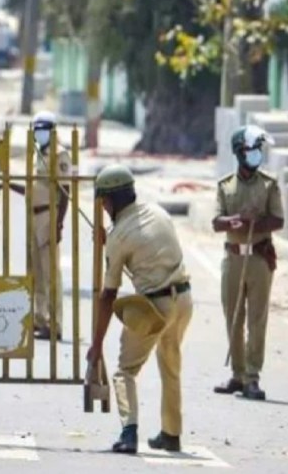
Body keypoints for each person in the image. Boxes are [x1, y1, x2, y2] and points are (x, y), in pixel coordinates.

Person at [87, 163, 193, 455]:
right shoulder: (157, 212)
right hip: (184, 299)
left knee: (125, 371)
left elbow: (108, 295)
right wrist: (111, 240)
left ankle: (129, 432)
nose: (104, 206)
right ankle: (171, 434)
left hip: (155, 305)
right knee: (170, 364)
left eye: (104, 200)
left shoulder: (118, 236)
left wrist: (96, 346)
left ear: (112, 200)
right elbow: (145, 243)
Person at [212, 125, 283, 401]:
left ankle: (253, 377)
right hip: (233, 257)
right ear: (240, 153)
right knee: (233, 317)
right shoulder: (224, 185)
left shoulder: (269, 184)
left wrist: (258, 221)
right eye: (252, 150)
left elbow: (279, 219)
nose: (256, 156)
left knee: (257, 318)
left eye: (259, 151)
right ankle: (237, 375)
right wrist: (233, 220)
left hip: (259, 258)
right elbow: (216, 222)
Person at [0, 111, 70, 340]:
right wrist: (8, 185)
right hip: (33, 217)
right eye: (36, 129)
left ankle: (55, 324)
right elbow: (33, 188)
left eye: (44, 129)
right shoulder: (38, 154)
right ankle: (39, 318)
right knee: (35, 271)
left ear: (53, 130)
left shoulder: (59, 154)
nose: (39, 133)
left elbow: (65, 192)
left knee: (50, 274)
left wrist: (58, 224)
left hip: (48, 216)